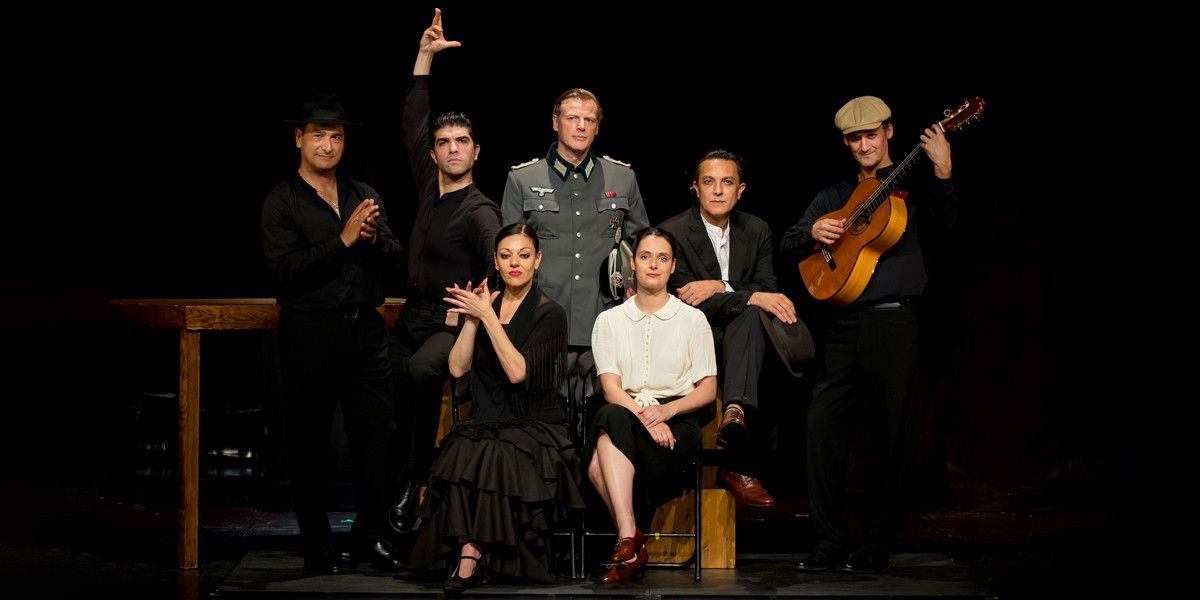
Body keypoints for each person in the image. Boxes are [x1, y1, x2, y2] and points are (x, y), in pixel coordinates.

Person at [780, 95, 960, 573]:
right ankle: (827, 542)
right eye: (855, 137)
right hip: (839, 326)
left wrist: (942, 173)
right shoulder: (834, 194)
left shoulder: (914, 185)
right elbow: (789, 243)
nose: (864, 144)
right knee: (821, 429)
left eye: (871, 134)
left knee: (891, 436)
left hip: (894, 323)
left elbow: (950, 231)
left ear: (889, 133)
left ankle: (877, 544)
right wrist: (814, 230)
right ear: (846, 141)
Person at [261, 92, 406, 573]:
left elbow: (394, 257)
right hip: (310, 332)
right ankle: (318, 544)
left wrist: (371, 241)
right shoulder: (282, 199)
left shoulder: (362, 193)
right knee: (308, 442)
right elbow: (285, 274)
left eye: (336, 136)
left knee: (377, 438)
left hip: (365, 330)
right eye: (318, 135)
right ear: (299, 139)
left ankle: (369, 535)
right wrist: (342, 241)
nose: (327, 144)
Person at [403, 223, 584, 592]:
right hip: (488, 417)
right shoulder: (487, 306)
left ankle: (470, 554)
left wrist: (487, 318)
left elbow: (518, 373)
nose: (514, 263)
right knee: (464, 448)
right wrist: (472, 320)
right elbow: (456, 367)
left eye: (523, 255)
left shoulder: (550, 313)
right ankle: (471, 549)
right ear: (496, 263)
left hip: (534, 424)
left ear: (538, 260)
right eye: (506, 256)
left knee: (496, 450)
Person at [389, 7, 502, 533]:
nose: (452, 150)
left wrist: (473, 318)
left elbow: (501, 273)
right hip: (412, 313)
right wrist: (424, 57)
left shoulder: (481, 212)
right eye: (444, 143)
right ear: (434, 154)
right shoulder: (429, 182)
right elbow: (414, 119)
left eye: (461, 143)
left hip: (451, 321)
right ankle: (392, 481)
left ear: (476, 151)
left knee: (418, 373)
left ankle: (416, 479)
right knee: (384, 379)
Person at [501, 86, 650, 434]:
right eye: (572, 118)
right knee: (543, 423)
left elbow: (641, 244)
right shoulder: (523, 179)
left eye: (589, 120)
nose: (581, 126)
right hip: (542, 324)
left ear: (597, 127)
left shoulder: (621, 177)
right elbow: (507, 250)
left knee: (596, 427)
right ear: (555, 123)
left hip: (604, 321)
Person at [658, 149, 799, 509]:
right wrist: (747, 295)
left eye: (727, 182)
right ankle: (738, 457)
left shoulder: (757, 229)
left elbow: (767, 288)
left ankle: (736, 416)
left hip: (743, 339)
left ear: (741, 189)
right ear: (695, 188)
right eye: (709, 182)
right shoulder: (673, 232)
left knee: (752, 320)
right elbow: (687, 298)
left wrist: (720, 286)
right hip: (692, 337)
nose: (718, 190)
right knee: (751, 314)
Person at [586, 227, 718, 584]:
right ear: (633, 263)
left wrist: (666, 411)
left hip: (676, 427)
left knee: (599, 466)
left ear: (673, 265)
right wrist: (646, 418)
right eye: (645, 257)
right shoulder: (609, 321)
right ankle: (629, 537)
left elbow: (707, 390)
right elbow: (611, 388)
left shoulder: (693, 319)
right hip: (628, 413)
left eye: (662, 258)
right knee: (610, 413)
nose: (653, 265)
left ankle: (628, 540)